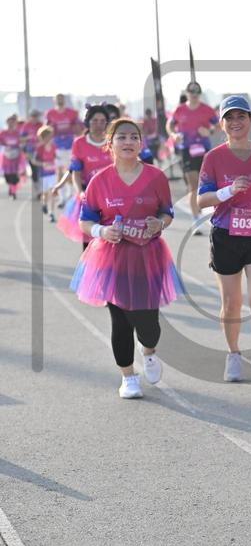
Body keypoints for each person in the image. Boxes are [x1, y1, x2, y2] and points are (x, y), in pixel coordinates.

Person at [71, 118, 181, 398]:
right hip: (113, 258)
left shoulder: (156, 177)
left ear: (141, 143)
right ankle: (128, 377)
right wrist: (101, 231)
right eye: (121, 137)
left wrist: (160, 223)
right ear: (110, 144)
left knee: (149, 325)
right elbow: (85, 221)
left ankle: (149, 351)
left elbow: (167, 212)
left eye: (134, 137)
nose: (128, 142)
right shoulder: (99, 181)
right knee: (120, 319)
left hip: (148, 257)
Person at [197, 96, 251, 383]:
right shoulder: (214, 157)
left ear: (250, 120)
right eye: (229, 118)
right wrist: (228, 191)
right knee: (231, 302)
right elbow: (201, 200)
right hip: (226, 235)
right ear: (222, 123)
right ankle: (233, 354)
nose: (235, 122)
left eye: (241, 116)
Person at [56, 105, 112, 249]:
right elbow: (76, 171)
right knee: (89, 240)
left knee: (111, 238)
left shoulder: (113, 141)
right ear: (87, 122)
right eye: (95, 120)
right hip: (89, 195)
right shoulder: (79, 143)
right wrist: (80, 192)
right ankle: (89, 262)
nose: (99, 124)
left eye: (102, 121)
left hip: (112, 194)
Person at [167, 82, 218, 234]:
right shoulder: (180, 109)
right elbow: (170, 125)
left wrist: (209, 131)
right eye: (191, 93)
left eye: (197, 93)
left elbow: (220, 124)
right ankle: (196, 220)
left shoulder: (207, 109)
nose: (194, 96)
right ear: (187, 94)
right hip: (186, 150)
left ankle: (205, 212)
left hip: (204, 150)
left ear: (199, 94)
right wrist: (174, 135)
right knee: (193, 185)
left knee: (206, 184)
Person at [45, 94, 81, 206]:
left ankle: (70, 194)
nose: (59, 100)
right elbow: (47, 129)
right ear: (54, 100)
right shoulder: (50, 113)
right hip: (57, 146)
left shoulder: (72, 113)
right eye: (57, 99)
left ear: (64, 100)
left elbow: (78, 127)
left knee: (70, 171)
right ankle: (62, 197)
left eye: (61, 98)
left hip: (70, 146)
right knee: (59, 171)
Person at [33, 126, 57, 221]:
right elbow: (34, 161)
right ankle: (44, 204)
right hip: (43, 175)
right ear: (43, 137)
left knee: (52, 192)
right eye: (47, 136)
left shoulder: (54, 146)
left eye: (50, 136)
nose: (49, 138)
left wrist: (56, 163)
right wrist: (43, 164)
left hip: (52, 174)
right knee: (45, 194)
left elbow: (56, 157)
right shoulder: (39, 148)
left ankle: (51, 213)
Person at [0, 115, 25, 199]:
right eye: (9, 122)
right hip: (6, 155)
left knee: (14, 174)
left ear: (15, 123)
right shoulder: (3, 133)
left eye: (12, 122)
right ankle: (11, 186)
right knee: (7, 175)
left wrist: (21, 145)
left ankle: (13, 191)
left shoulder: (17, 133)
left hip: (16, 155)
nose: (11, 124)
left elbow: (21, 141)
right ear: (7, 123)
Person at [20, 110, 42, 197]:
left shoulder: (41, 125)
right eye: (33, 116)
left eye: (36, 116)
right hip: (30, 151)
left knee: (40, 170)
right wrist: (28, 137)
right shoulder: (26, 126)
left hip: (40, 151)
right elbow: (21, 139)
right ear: (30, 117)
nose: (35, 118)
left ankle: (41, 190)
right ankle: (37, 190)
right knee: (34, 170)